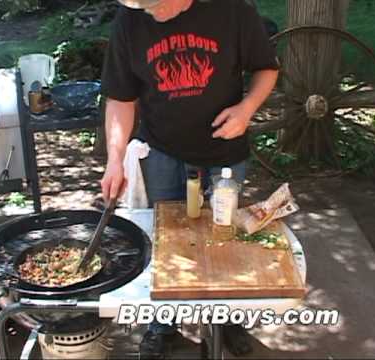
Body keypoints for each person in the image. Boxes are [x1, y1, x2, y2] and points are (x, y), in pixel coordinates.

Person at [100, 0, 279, 357]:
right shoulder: (130, 19)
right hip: (163, 149)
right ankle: (161, 323)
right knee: (165, 242)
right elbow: (120, 97)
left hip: (223, 152)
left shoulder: (233, 9)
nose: (151, 13)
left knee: (221, 240)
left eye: (157, 4)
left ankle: (226, 318)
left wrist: (246, 110)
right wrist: (115, 159)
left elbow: (266, 68)